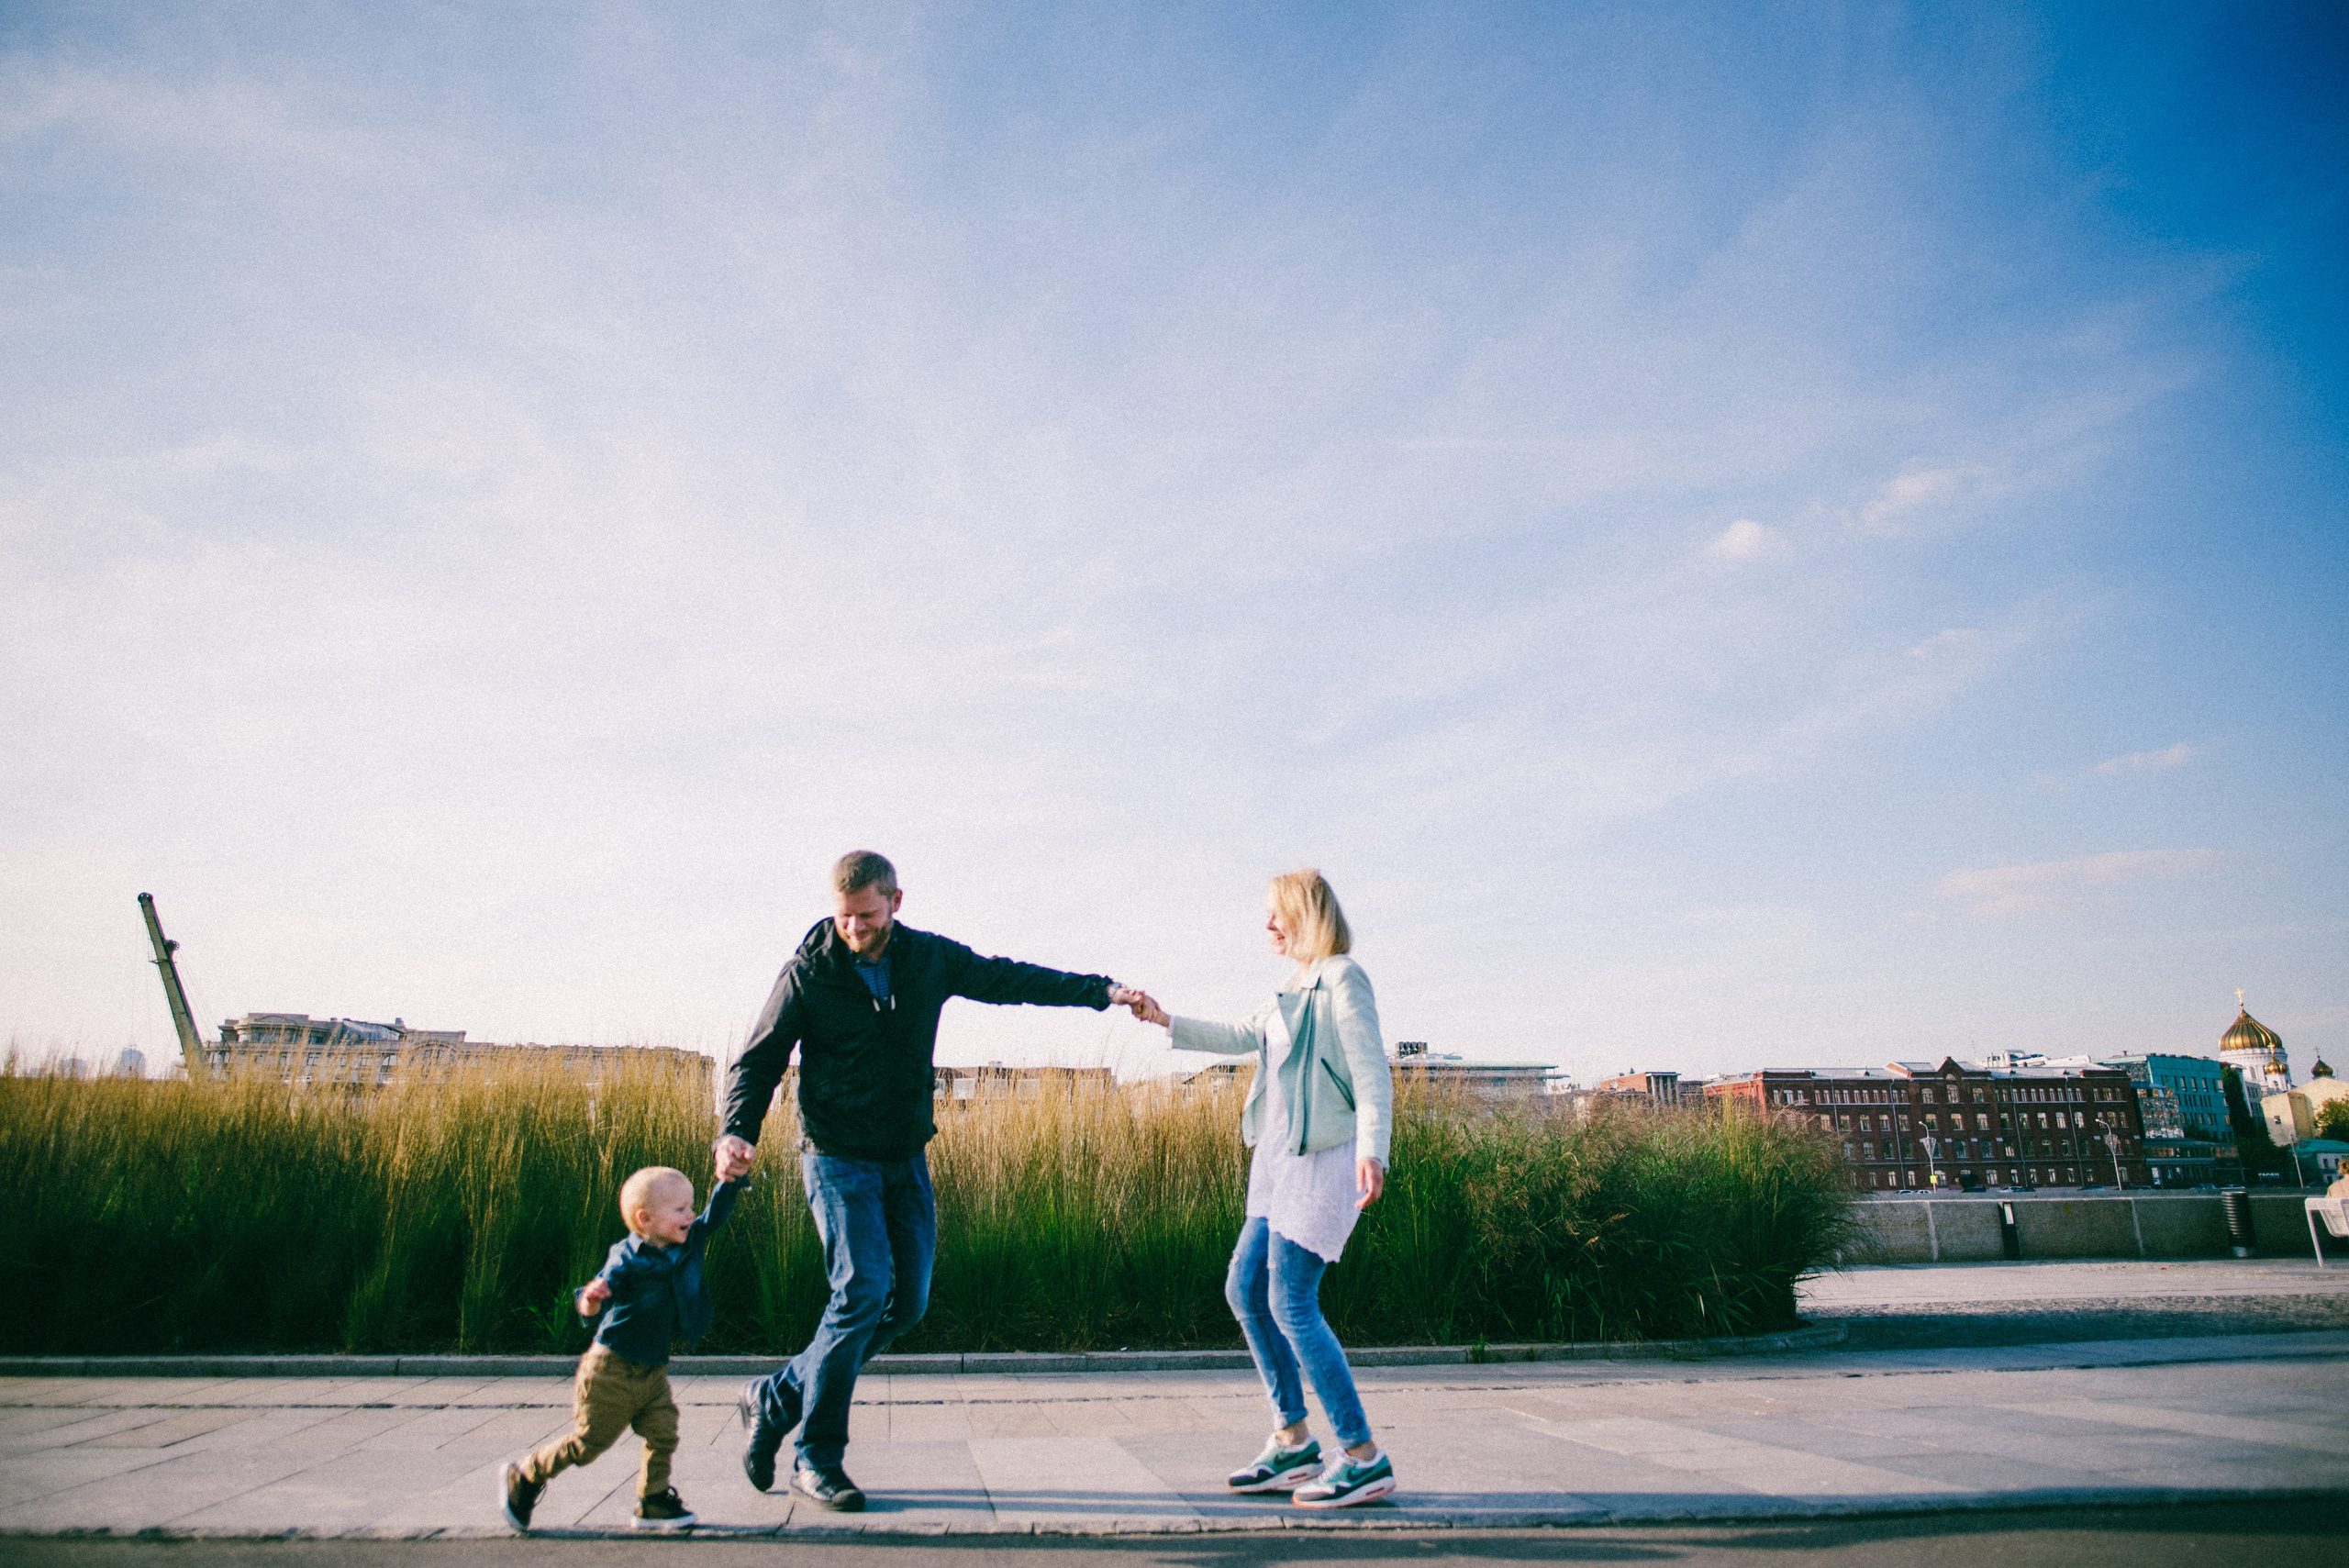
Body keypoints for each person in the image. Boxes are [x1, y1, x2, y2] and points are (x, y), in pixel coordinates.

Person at [718, 851, 1152, 1512]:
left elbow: (1006, 978)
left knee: (908, 1302)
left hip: (903, 1156)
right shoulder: (808, 973)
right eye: (844, 917)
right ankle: (817, 1454)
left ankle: (775, 1396)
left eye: (866, 914)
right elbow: (759, 1058)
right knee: (860, 1289)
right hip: (836, 1154)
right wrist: (736, 1130)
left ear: (896, 900)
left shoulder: (928, 959)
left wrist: (1101, 990)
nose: (855, 929)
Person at [1129, 867, 1397, 1508]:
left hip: (1323, 1158)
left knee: (1292, 1300)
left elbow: (1371, 1071)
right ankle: (1294, 1439)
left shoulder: (1341, 976)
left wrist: (1372, 1150)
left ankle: (1362, 1455)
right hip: (1276, 1162)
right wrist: (1165, 1019)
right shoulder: (1292, 986)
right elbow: (1240, 1035)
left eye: (1277, 912)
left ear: (1307, 914)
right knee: (1245, 1285)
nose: (1268, 924)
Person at [502, 1163, 744, 1533]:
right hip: (611, 1369)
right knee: (589, 1444)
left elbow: (714, 1217)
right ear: (645, 1219)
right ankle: (526, 1474)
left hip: (651, 1370)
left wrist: (729, 1182)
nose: (691, 1215)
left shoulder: (689, 1241)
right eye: (680, 1209)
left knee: (664, 1432)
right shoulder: (626, 1257)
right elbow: (598, 1289)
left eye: (690, 1206)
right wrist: (590, 1302)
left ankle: (653, 1501)